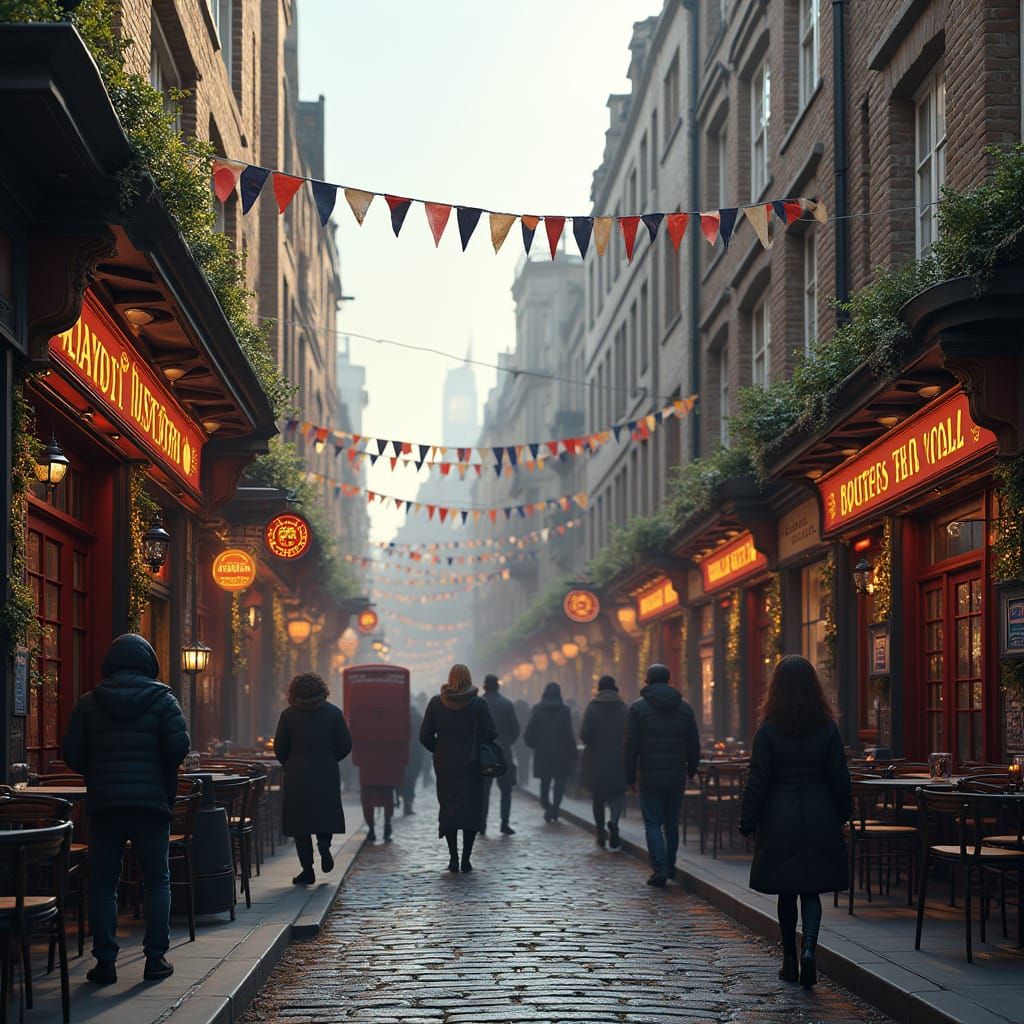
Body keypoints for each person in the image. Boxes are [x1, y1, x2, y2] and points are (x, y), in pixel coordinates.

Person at [62, 633, 189, 985]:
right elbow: (179, 747)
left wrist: (98, 769)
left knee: (103, 884)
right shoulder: (164, 700)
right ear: (149, 662)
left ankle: (105, 962)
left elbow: (71, 753)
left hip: (105, 804)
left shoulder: (89, 702)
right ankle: (155, 959)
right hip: (151, 803)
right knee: (157, 880)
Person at [739, 655, 852, 988]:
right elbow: (840, 777)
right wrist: (842, 813)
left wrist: (748, 820)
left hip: (779, 817)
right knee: (811, 889)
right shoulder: (828, 728)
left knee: (787, 891)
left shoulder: (768, 730)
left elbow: (757, 780)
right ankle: (810, 949)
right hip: (819, 813)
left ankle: (789, 959)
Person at [624, 663, 700, 888]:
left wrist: (630, 777)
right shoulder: (685, 708)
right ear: (669, 681)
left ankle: (660, 868)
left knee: (653, 823)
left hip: (650, 775)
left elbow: (630, 746)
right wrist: (692, 770)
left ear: (647, 681)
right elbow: (693, 743)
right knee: (671, 823)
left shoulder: (638, 708)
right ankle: (670, 865)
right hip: (676, 774)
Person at [274, 672, 353, 885]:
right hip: (326, 770)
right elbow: (346, 744)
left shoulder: (288, 715)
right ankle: (324, 845)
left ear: (294, 691)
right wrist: (330, 758)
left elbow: (279, 747)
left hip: (298, 773)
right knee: (324, 813)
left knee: (300, 823)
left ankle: (307, 870)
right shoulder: (333, 713)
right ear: (322, 689)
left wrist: (290, 763)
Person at [420, 664, 497, 872]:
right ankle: (466, 859)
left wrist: (439, 749)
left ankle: (453, 857)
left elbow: (424, 735)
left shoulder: (436, 703)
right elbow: (491, 732)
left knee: (449, 808)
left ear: (450, 678)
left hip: (446, 765)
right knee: (471, 809)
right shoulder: (478, 704)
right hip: (472, 764)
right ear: (468, 679)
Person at [580, 675, 627, 849]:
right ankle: (614, 821)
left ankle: (600, 831)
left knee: (598, 797)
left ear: (599, 689)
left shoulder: (592, 708)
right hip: (619, 757)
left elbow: (585, 734)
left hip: (597, 759)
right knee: (617, 793)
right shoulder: (623, 708)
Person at [524, 682, 577, 823]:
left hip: (543, 754)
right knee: (560, 784)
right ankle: (555, 808)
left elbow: (529, 733)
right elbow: (569, 734)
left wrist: (535, 745)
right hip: (562, 754)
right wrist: (573, 752)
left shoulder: (537, 709)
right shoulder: (565, 711)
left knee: (545, 783)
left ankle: (547, 807)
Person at [480, 673, 520, 835]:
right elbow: (515, 729)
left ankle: (481, 824)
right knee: (506, 791)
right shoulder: (507, 704)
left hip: (484, 753)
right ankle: (505, 823)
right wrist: (507, 742)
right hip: (503, 751)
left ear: (485, 686)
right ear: (498, 685)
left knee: (483, 792)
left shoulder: (478, 704)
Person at [398, 702, 424, 816]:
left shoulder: (399, 717)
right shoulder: (418, 718)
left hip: (401, 752)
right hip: (415, 753)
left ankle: (403, 798)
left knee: (403, 778)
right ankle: (408, 803)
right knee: (411, 779)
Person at [514, 698, 532, 781]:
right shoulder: (529, 714)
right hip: (527, 741)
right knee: (526, 761)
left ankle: (521, 779)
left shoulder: (515, 714)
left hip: (518, 741)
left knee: (520, 761)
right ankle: (525, 779)